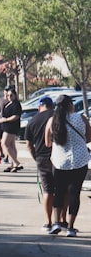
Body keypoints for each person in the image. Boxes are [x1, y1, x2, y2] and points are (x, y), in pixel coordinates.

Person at [44, 94, 91, 236]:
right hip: (80, 161)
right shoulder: (81, 118)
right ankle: (70, 227)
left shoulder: (52, 121)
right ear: (70, 104)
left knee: (59, 191)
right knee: (74, 194)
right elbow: (89, 137)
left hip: (60, 162)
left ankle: (56, 223)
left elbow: (47, 143)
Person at [26, 96, 57, 232]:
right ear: (51, 106)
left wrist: (35, 156)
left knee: (48, 190)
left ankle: (48, 222)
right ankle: (61, 220)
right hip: (59, 157)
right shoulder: (58, 117)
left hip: (42, 157)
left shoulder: (32, 121)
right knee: (61, 190)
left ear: (39, 107)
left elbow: (28, 144)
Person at [0, 88, 23, 171]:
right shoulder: (8, 103)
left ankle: (16, 162)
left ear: (15, 95)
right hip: (6, 126)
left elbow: (16, 116)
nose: (9, 97)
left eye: (11, 95)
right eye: (8, 95)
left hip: (11, 126)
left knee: (4, 143)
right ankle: (13, 165)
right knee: (12, 145)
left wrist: (6, 119)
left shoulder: (16, 104)